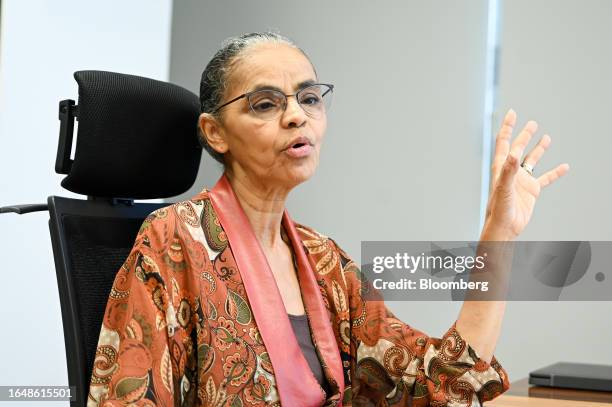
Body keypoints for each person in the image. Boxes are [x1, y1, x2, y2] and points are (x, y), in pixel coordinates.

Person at [87, 32, 569, 406]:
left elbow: (437, 384)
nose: (297, 116)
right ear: (215, 133)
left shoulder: (323, 260)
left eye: (309, 98)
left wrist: (499, 235)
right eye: (266, 103)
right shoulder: (175, 239)